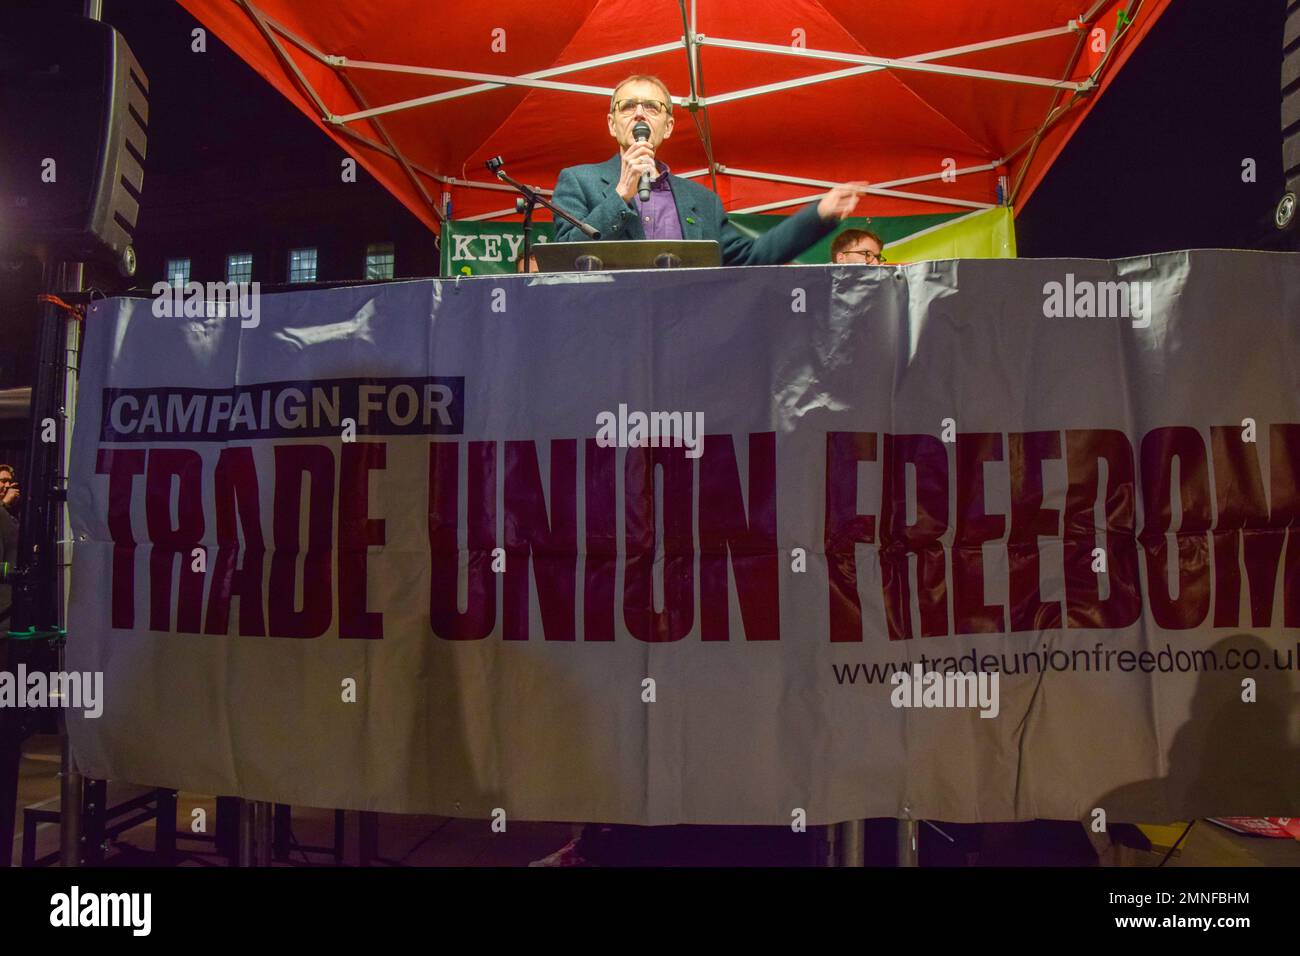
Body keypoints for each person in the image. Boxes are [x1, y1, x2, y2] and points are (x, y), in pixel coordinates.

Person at [552, 74, 863, 263]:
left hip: (688, 337)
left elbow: (749, 258)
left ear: (669, 126)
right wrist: (620, 196)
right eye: (628, 106)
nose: (639, 114)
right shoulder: (579, 181)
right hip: (610, 342)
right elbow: (564, 259)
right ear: (612, 123)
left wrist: (818, 214)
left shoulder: (702, 201)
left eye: (651, 107)